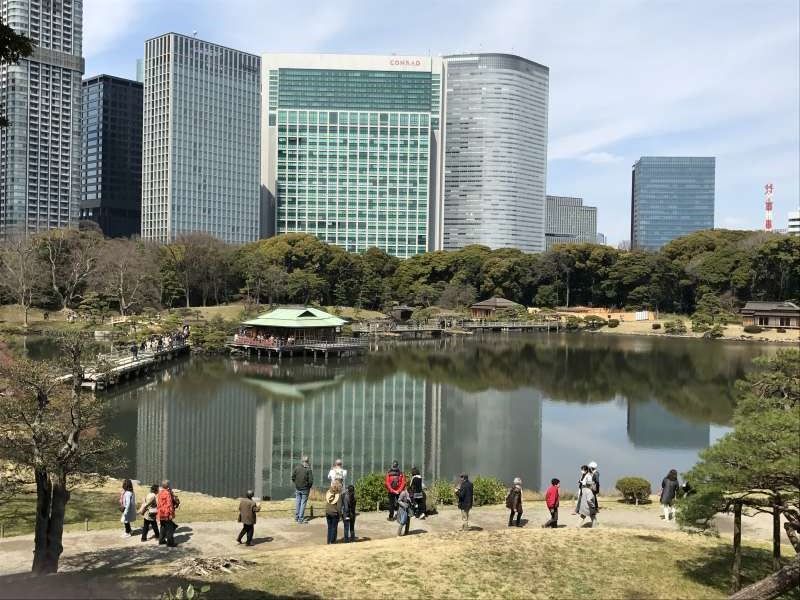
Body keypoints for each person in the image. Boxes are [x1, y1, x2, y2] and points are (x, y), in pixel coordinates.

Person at [157, 480, 179, 547]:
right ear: (168, 486)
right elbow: (169, 504)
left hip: (161, 512)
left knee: (163, 527)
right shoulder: (167, 493)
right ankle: (170, 543)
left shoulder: (160, 492)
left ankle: (161, 540)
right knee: (170, 528)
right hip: (167, 513)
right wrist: (171, 513)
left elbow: (159, 503)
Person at [292, 455, 313, 524]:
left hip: (298, 487)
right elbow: (311, 481)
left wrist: (296, 483)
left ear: (302, 461)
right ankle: (300, 519)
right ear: (308, 461)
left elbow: (293, 477)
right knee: (303, 503)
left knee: (298, 502)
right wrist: (308, 487)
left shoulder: (297, 468)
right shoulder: (308, 469)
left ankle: (296, 517)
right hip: (305, 489)